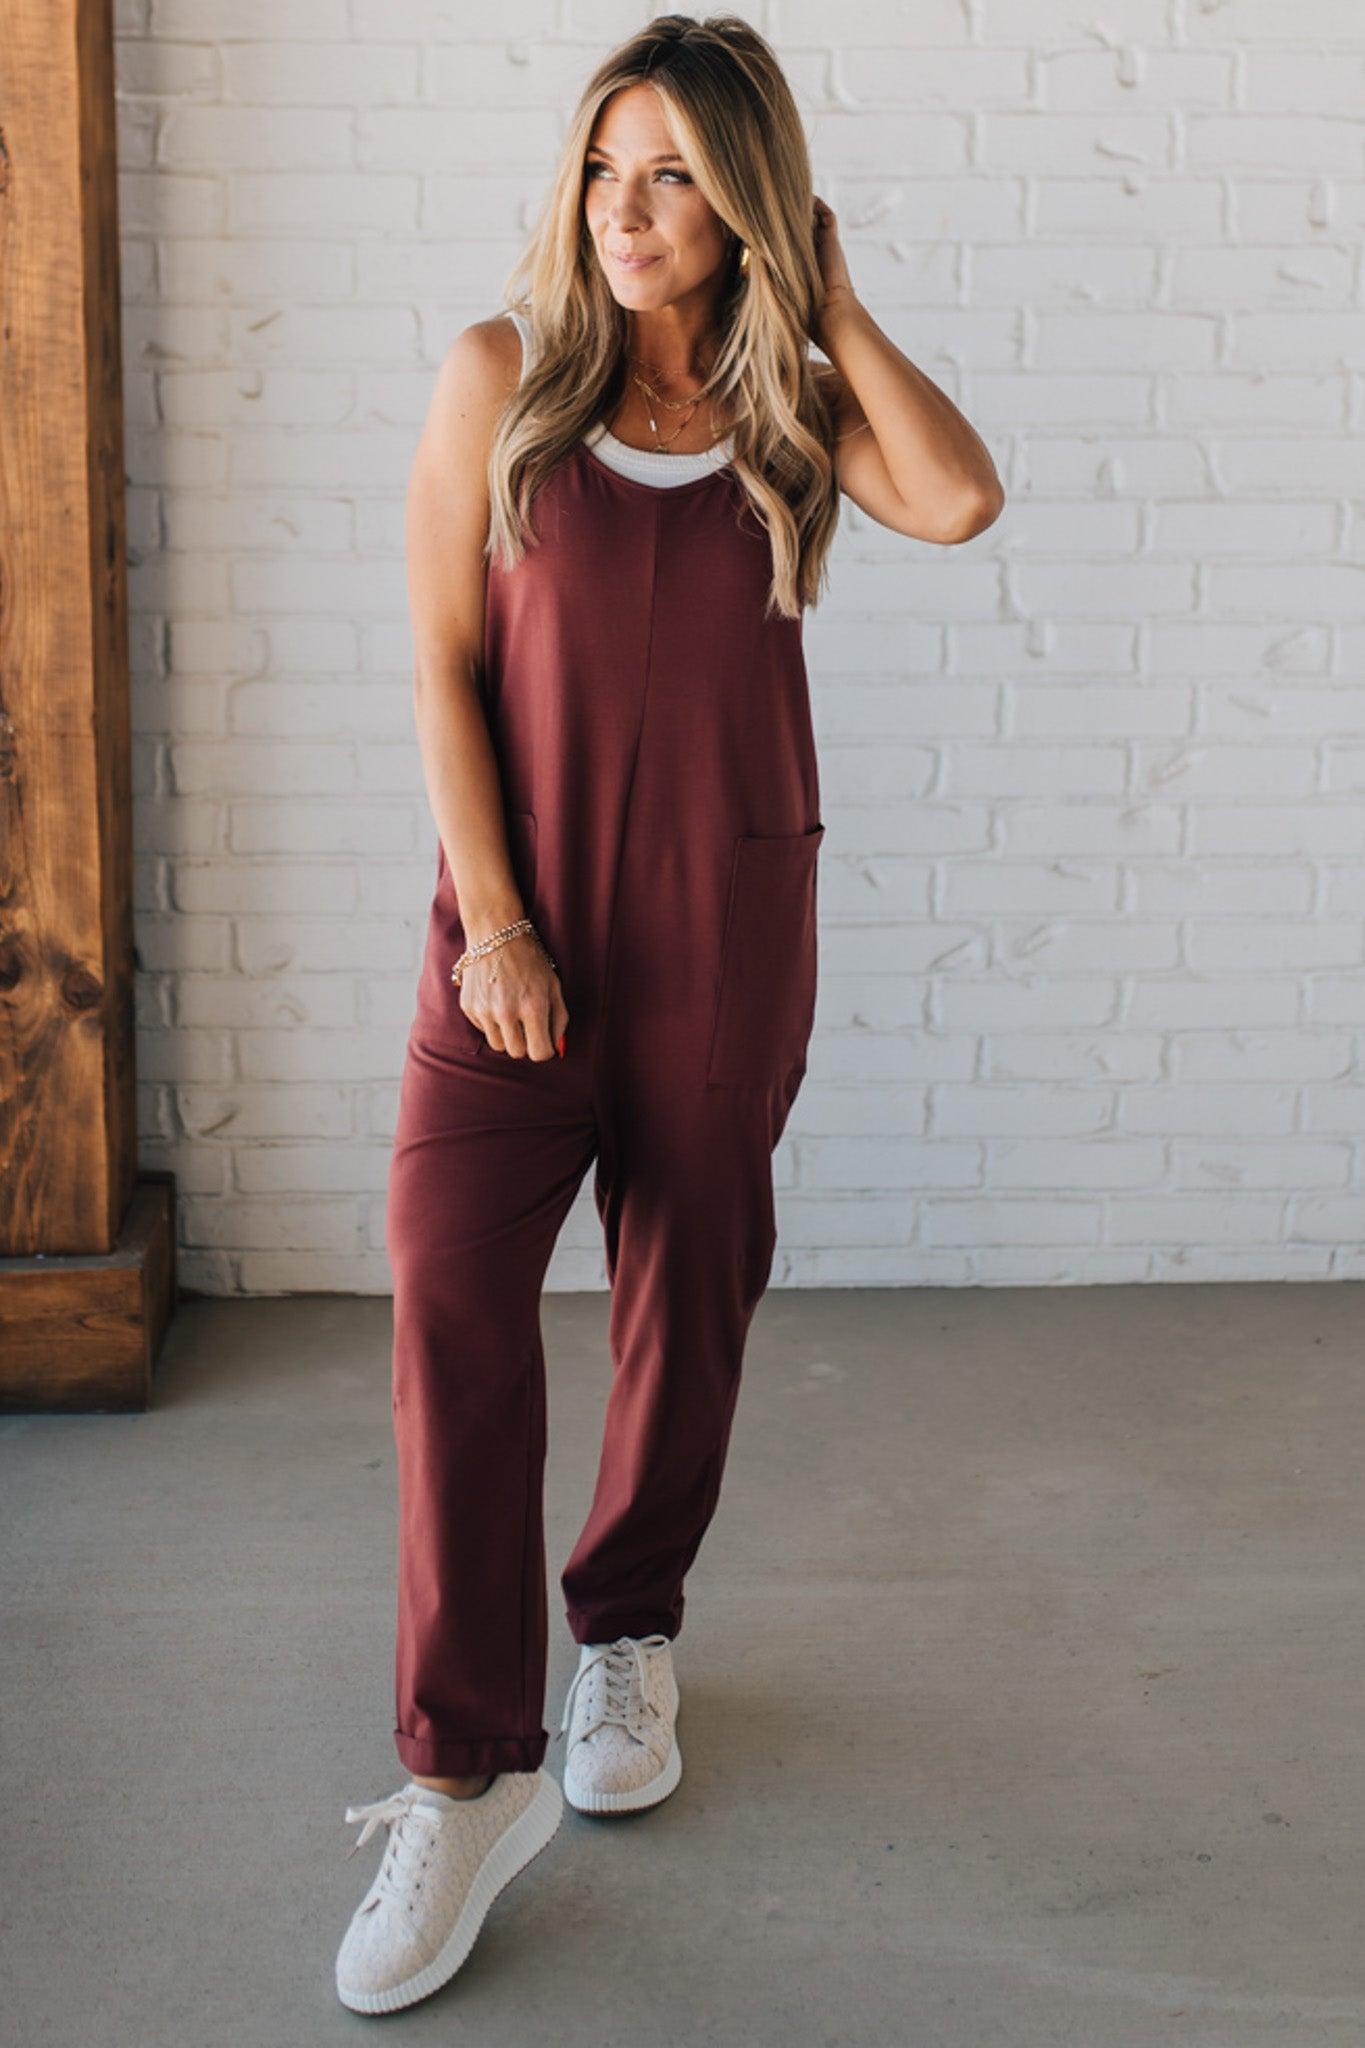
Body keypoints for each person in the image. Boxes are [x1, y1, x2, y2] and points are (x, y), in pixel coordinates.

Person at [334, 11, 1003, 2017]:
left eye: (678, 178)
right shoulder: (496, 377)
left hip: (730, 915)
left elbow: (958, 501)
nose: (629, 213)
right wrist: (497, 927)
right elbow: (446, 669)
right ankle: (460, 1767)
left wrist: (838, 304)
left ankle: (625, 1624)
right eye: (606, 168)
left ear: (748, 207)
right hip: (516, 938)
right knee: (447, 1290)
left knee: (685, 1287)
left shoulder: (787, 405)